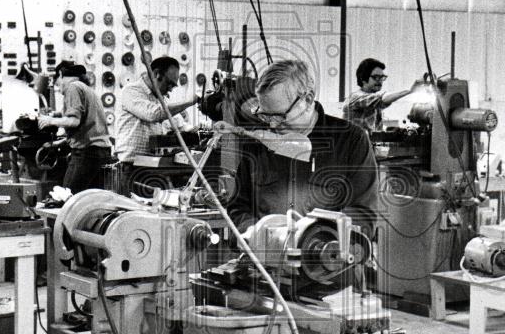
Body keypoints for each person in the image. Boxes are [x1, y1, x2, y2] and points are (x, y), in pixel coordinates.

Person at [228, 59, 378, 241]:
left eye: (280, 116)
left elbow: (363, 215)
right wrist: (258, 235)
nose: (273, 125)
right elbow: (238, 207)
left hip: (326, 264)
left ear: (307, 99)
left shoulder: (351, 140)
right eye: (266, 115)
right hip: (268, 262)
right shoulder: (260, 142)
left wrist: (314, 239)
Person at [115, 56, 202, 194]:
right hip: (133, 167)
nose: (171, 89)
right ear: (156, 74)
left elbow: (179, 124)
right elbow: (154, 114)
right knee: (132, 212)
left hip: (154, 167)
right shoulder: (131, 91)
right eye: (169, 84)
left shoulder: (160, 98)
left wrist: (199, 131)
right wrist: (189, 101)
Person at [37, 61, 112, 194]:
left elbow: (74, 121)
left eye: (58, 85)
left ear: (60, 75)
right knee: (89, 200)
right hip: (100, 152)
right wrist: (60, 138)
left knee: (67, 197)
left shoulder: (73, 87)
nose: (59, 90)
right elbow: (84, 122)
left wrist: (50, 120)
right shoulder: (87, 90)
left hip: (86, 153)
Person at [343, 58, 417, 135]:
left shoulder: (374, 105)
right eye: (376, 77)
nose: (380, 81)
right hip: (353, 145)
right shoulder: (356, 97)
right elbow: (381, 99)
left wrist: (389, 130)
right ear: (363, 79)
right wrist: (409, 91)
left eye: (382, 77)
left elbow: (376, 130)